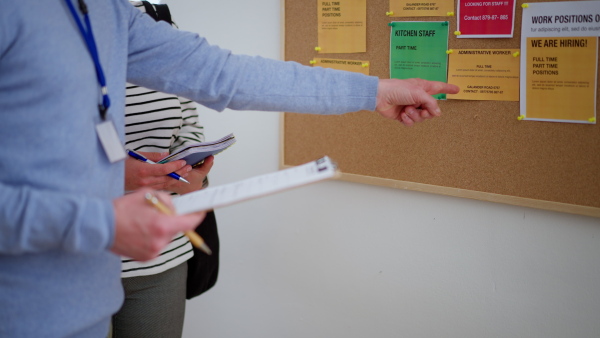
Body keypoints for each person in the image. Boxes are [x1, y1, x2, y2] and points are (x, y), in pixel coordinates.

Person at [0, 0, 459, 336]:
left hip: (89, 307)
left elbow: (225, 74)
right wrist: (97, 221)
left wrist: (372, 92)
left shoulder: (107, 13)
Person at [111, 2, 217, 337]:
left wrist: (190, 173)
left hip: (162, 255)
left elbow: (187, 120)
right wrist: (115, 174)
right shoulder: (51, 24)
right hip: (75, 254)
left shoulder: (159, 21)